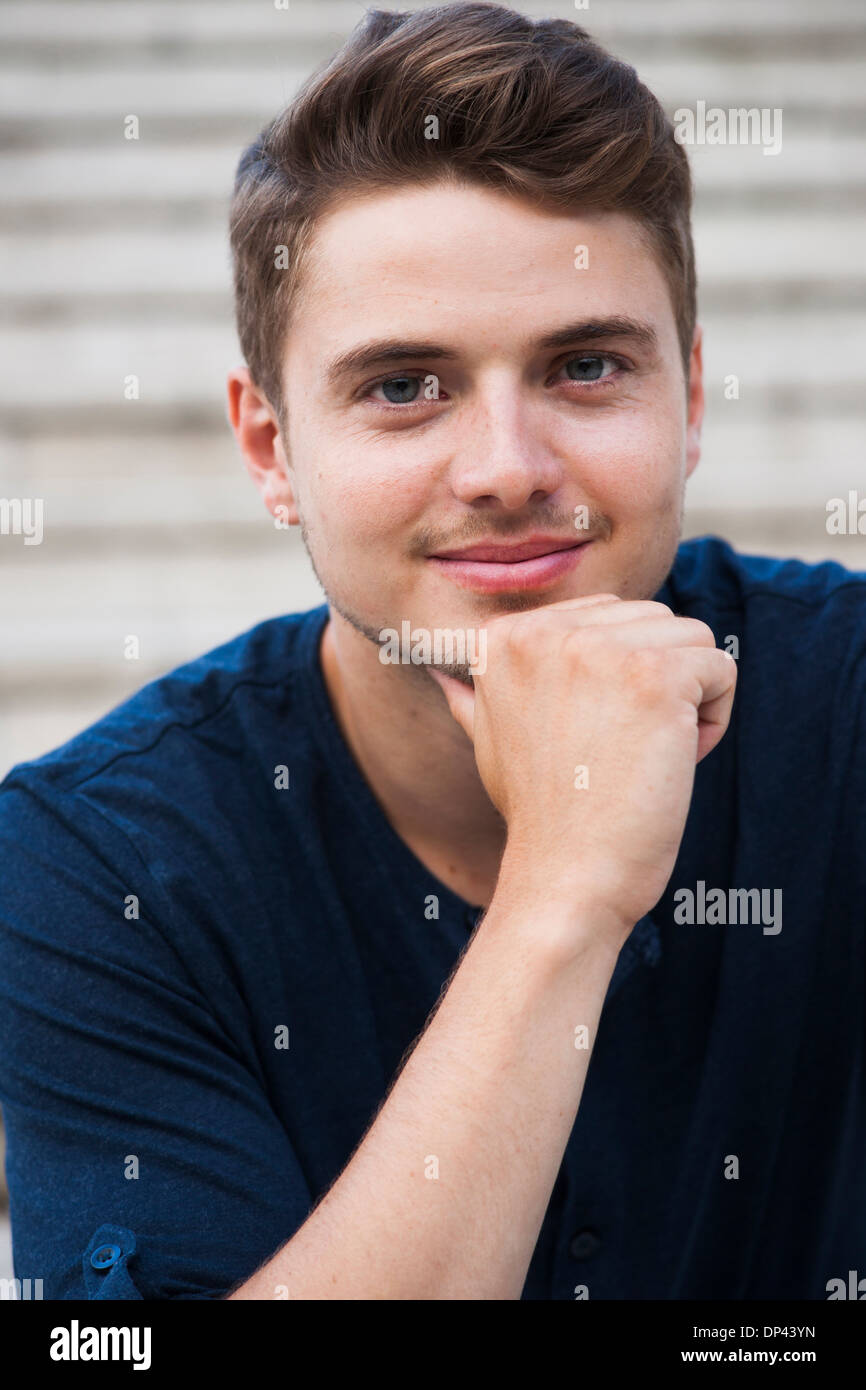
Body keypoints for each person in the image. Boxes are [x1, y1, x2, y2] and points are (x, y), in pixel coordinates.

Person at [0, 2, 863, 1301]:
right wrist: (562, 888)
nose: (507, 470)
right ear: (271, 447)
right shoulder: (93, 864)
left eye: (582, 365)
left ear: (687, 395)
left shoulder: (847, 708)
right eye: (403, 385)